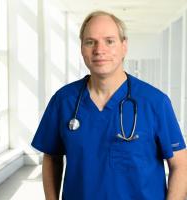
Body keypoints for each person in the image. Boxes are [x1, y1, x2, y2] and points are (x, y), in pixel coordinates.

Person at [31, 10, 187, 200]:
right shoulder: (63, 101)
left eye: (109, 41)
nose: (99, 50)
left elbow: (180, 164)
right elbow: (52, 158)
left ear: (124, 46)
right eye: (90, 42)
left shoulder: (154, 102)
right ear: (81, 48)